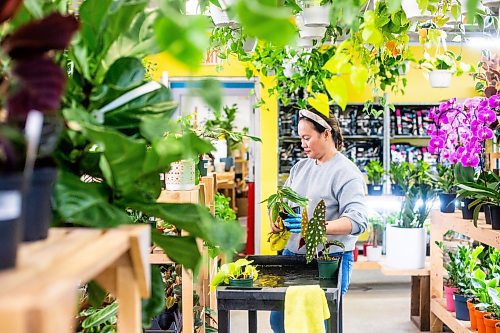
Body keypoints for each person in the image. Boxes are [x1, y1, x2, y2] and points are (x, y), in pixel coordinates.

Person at [269, 108, 368, 333]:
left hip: (329, 260)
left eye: (307, 138)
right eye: (300, 138)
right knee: (279, 321)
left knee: (322, 323)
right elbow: (283, 201)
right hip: (293, 255)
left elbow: (358, 220)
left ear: (326, 134)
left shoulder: (346, 173)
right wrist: (278, 218)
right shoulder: (300, 167)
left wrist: (314, 228)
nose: (302, 144)